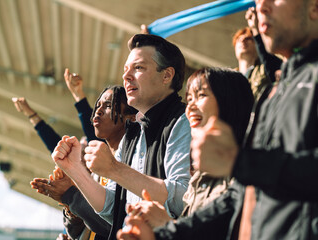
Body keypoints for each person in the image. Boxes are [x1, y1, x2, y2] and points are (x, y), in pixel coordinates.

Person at [118, 0, 318, 239]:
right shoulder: (277, 92)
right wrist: (166, 235)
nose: (261, 6)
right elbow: (238, 198)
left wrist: (240, 162)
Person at [52, 33, 191, 240]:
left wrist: (114, 169)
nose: (126, 77)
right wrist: (75, 170)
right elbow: (113, 209)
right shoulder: (132, 135)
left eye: (139, 68)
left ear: (167, 75)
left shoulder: (184, 121)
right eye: (126, 70)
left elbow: (184, 199)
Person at [120, 67, 254, 230]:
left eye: (201, 95)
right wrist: (162, 222)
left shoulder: (250, 171)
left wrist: (165, 224)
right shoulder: (198, 175)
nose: (190, 107)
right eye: (189, 98)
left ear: (230, 101)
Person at [32, 85, 137, 240]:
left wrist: (70, 196)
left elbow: (114, 225)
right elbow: (78, 233)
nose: (98, 111)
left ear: (130, 117)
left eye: (108, 105)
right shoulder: (98, 169)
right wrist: (70, 208)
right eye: (97, 106)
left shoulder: (133, 162)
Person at [233, 9, 282, 102]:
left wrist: (255, 29)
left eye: (248, 39)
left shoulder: (266, 68)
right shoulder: (230, 78)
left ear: (257, 45)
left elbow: (271, 63)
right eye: (238, 39)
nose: (242, 41)